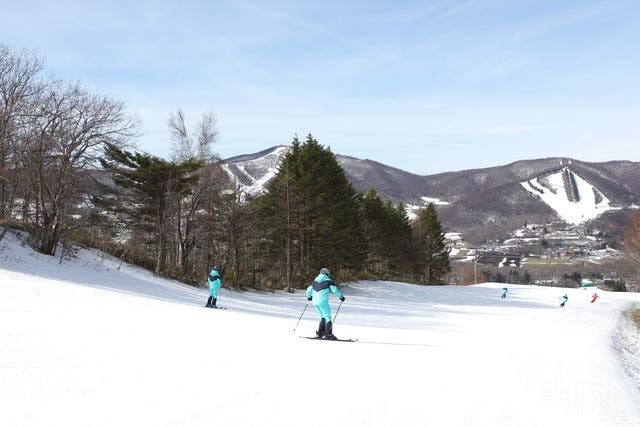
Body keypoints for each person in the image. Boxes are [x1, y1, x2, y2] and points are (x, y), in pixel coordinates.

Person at [306, 267, 344, 340]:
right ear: (327, 274)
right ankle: (328, 334)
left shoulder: (314, 281)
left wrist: (309, 297)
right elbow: (335, 290)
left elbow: (308, 290)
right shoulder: (328, 281)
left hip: (315, 302)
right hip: (323, 302)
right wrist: (341, 297)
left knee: (322, 317)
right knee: (327, 317)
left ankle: (320, 333)